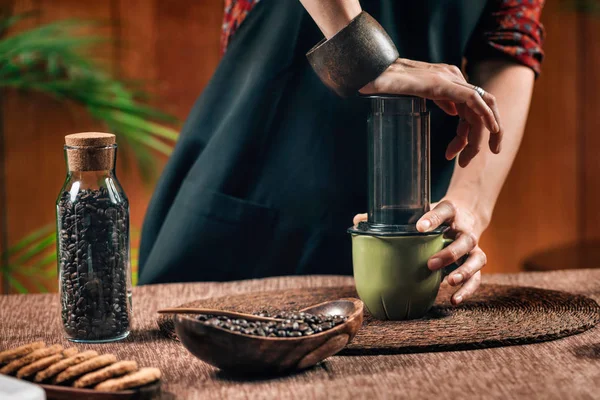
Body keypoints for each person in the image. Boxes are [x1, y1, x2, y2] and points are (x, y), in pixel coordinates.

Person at [138, 0, 545, 306]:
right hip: (253, 184)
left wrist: (470, 204)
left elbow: (509, 45)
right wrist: (363, 58)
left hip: (409, 210)